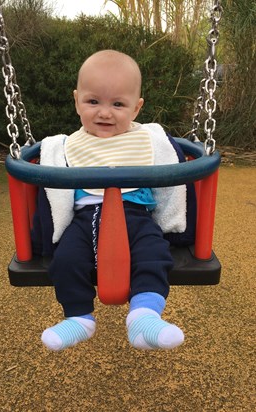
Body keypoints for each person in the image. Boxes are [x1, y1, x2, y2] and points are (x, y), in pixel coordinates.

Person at [40, 50, 186, 351]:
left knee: (155, 254)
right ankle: (78, 318)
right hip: (83, 220)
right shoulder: (67, 145)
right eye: (93, 102)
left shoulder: (149, 141)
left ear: (137, 108)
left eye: (118, 104)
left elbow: (173, 171)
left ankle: (143, 316)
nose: (105, 113)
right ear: (77, 99)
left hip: (137, 217)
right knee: (65, 260)